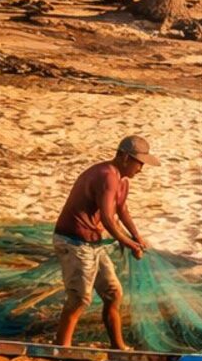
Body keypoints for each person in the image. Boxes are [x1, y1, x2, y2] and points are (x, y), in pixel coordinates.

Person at [51, 135, 156, 349]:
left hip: (93, 245)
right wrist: (128, 243)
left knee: (113, 293)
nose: (141, 169)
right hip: (74, 242)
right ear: (125, 157)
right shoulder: (106, 175)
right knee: (79, 299)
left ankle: (118, 346)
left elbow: (122, 210)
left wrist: (137, 236)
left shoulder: (122, 180)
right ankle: (61, 347)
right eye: (139, 163)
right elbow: (108, 219)